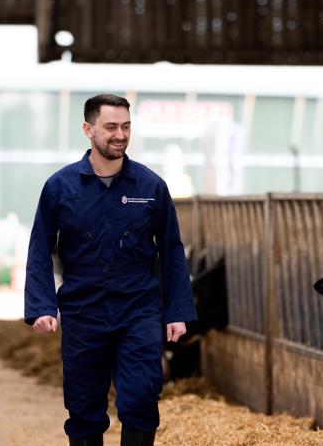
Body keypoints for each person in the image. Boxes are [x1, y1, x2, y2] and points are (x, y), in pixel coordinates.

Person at [24, 94, 197, 446]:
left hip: (138, 310)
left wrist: (177, 312)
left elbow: (172, 251)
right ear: (88, 130)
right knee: (84, 410)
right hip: (83, 310)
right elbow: (40, 247)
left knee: (140, 400)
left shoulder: (150, 187)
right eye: (111, 127)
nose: (120, 135)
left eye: (126, 127)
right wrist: (42, 306)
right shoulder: (61, 187)